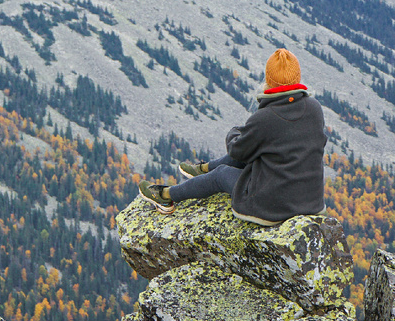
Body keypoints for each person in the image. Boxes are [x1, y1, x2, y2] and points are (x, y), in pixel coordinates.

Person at [138, 48, 326, 226]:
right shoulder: (314, 108)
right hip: (311, 202)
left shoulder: (265, 117)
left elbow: (237, 151)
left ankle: (165, 196)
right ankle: (203, 169)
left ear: (269, 79)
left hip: (270, 208)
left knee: (221, 174)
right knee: (256, 154)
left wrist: (235, 132)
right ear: (297, 77)